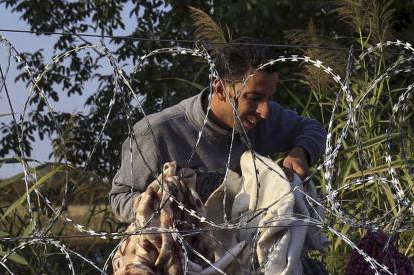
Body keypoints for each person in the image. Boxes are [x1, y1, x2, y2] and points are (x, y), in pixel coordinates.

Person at [109, 39, 326, 222]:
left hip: (246, 257)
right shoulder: (156, 133)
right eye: (253, 98)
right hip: (184, 258)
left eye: (269, 97)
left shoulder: (261, 118)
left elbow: (312, 128)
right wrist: (173, 204)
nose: (265, 112)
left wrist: (302, 152)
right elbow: (120, 200)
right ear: (221, 89)